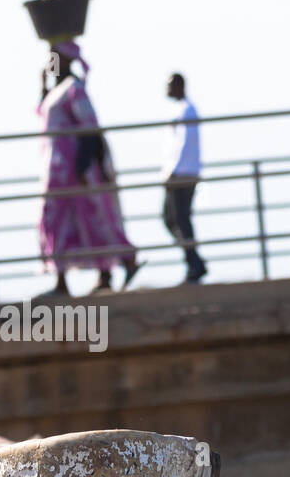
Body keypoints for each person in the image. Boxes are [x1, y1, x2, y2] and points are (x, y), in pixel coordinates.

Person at [37, 41, 140, 295]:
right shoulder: (56, 90)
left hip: (76, 169)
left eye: (55, 57)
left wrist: (83, 166)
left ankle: (110, 270)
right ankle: (62, 281)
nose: (51, 62)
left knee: (93, 218)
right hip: (57, 171)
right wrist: (42, 82)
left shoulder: (74, 88)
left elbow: (89, 129)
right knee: (57, 221)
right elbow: (44, 112)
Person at [161, 73, 207, 283]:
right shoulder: (181, 109)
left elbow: (185, 143)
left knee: (179, 219)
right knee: (174, 219)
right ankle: (194, 260)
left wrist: (174, 171)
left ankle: (194, 263)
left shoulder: (187, 110)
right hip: (181, 171)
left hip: (183, 173)